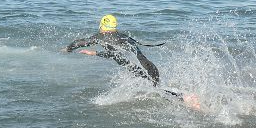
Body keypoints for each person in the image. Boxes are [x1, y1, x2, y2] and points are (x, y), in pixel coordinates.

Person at [64, 14, 201, 109]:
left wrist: (68, 49)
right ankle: (185, 96)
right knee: (158, 90)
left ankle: (186, 98)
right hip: (151, 67)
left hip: (142, 70)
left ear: (102, 26)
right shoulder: (124, 37)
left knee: (158, 93)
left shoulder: (101, 37)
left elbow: (80, 43)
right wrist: (95, 53)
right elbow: (117, 54)